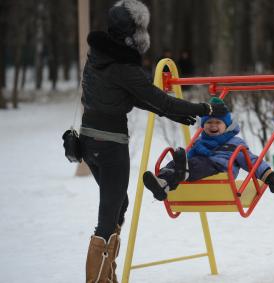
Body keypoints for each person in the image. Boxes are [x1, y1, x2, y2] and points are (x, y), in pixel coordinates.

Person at [78, 1, 227, 282]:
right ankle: (98, 280)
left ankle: (107, 275)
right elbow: (156, 96)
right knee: (108, 216)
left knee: (118, 205)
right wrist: (203, 109)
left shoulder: (97, 56)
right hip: (111, 146)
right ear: (135, 36)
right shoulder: (125, 67)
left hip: (89, 142)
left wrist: (172, 113)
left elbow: (135, 98)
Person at [143, 97, 274, 201]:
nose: (213, 125)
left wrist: (270, 177)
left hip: (219, 168)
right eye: (209, 122)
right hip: (196, 167)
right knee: (175, 163)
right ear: (203, 126)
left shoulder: (235, 143)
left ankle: (183, 171)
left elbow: (252, 161)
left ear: (227, 125)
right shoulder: (199, 141)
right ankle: (161, 183)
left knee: (197, 163)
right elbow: (187, 156)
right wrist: (182, 159)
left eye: (218, 122)